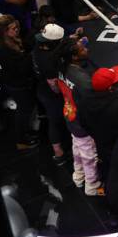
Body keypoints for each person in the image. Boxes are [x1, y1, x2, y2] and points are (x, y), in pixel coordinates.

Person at [56, 38, 104, 197]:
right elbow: (92, 104)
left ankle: (78, 175)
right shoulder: (83, 80)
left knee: (77, 147)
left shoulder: (62, 66)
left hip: (69, 114)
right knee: (89, 155)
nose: (86, 49)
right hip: (80, 121)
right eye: (82, 49)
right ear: (74, 57)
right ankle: (92, 185)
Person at [0, 14, 38, 151]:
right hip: (17, 85)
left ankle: (26, 132)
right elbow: (18, 69)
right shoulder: (3, 50)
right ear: (4, 32)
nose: (17, 30)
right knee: (23, 110)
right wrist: (30, 56)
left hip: (22, 81)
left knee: (27, 108)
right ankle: (21, 140)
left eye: (17, 27)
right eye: (13, 28)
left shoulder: (13, 40)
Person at [31, 23, 69, 168]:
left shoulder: (38, 47)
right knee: (55, 122)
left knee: (55, 120)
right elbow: (54, 86)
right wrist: (64, 94)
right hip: (50, 95)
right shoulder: (48, 60)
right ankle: (58, 153)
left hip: (40, 89)